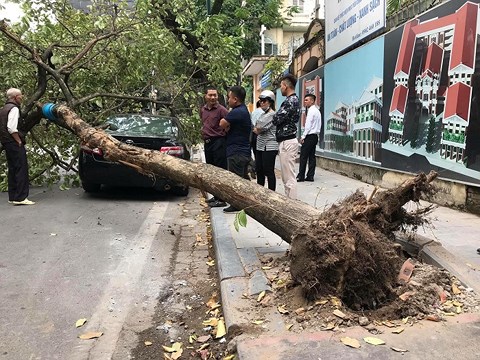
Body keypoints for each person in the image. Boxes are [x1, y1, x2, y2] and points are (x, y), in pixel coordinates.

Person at [219, 85, 252, 213]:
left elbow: (222, 124)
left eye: (229, 98)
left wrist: (226, 123)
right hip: (242, 151)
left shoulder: (237, 112)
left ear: (235, 99)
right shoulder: (243, 111)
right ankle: (247, 202)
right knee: (242, 179)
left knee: (235, 180)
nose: (228, 100)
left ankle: (236, 204)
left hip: (236, 152)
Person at [0, 88, 35, 205]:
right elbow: (11, 128)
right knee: (21, 168)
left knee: (13, 168)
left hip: (6, 142)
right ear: (15, 97)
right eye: (20, 95)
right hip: (13, 142)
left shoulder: (3, 109)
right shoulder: (14, 109)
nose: (22, 97)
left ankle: (13, 196)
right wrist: (18, 141)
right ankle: (21, 197)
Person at [272, 74, 300, 199]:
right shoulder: (293, 100)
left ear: (286, 86)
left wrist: (275, 115)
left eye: (281, 86)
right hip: (287, 141)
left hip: (287, 142)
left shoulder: (290, 101)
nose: (280, 88)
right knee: (286, 177)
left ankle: (291, 204)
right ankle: (289, 201)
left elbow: (276, 119)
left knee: (289, 178)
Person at [200, 86, 229, 207]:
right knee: (211, 170)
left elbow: (228, 125)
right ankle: (215, 196)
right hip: (208, 143)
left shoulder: (222, 110)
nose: (212, 97)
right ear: (205, 96)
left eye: (215, 95)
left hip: (219, 142)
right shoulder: (203, 109)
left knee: (219, 171)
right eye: (210, 95)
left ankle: (221, 199)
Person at [253, 90, 278, 191]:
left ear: (270, 102)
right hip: (260, 146)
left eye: (264, 101)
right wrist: (257, 128)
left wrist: (258, 128)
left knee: (268, 171)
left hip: (269, 146)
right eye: (261, 101)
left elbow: (259, 127)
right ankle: (260, 192)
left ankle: (272, 193)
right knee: (259, 170)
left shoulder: (272, 114)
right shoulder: (263, 114)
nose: (262, 103)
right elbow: (257, 127)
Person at [297, 93, 322, 182]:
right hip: (315, 136)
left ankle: (301, 176)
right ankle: (310, 176)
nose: (305, 102)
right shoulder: (318, 111)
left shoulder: (311, 111)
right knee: (312, 157)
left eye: (307, 100)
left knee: (303, 156)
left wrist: (303, 136)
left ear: (312, 101)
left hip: (309, 136)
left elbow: (308, 125)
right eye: (304, 100)